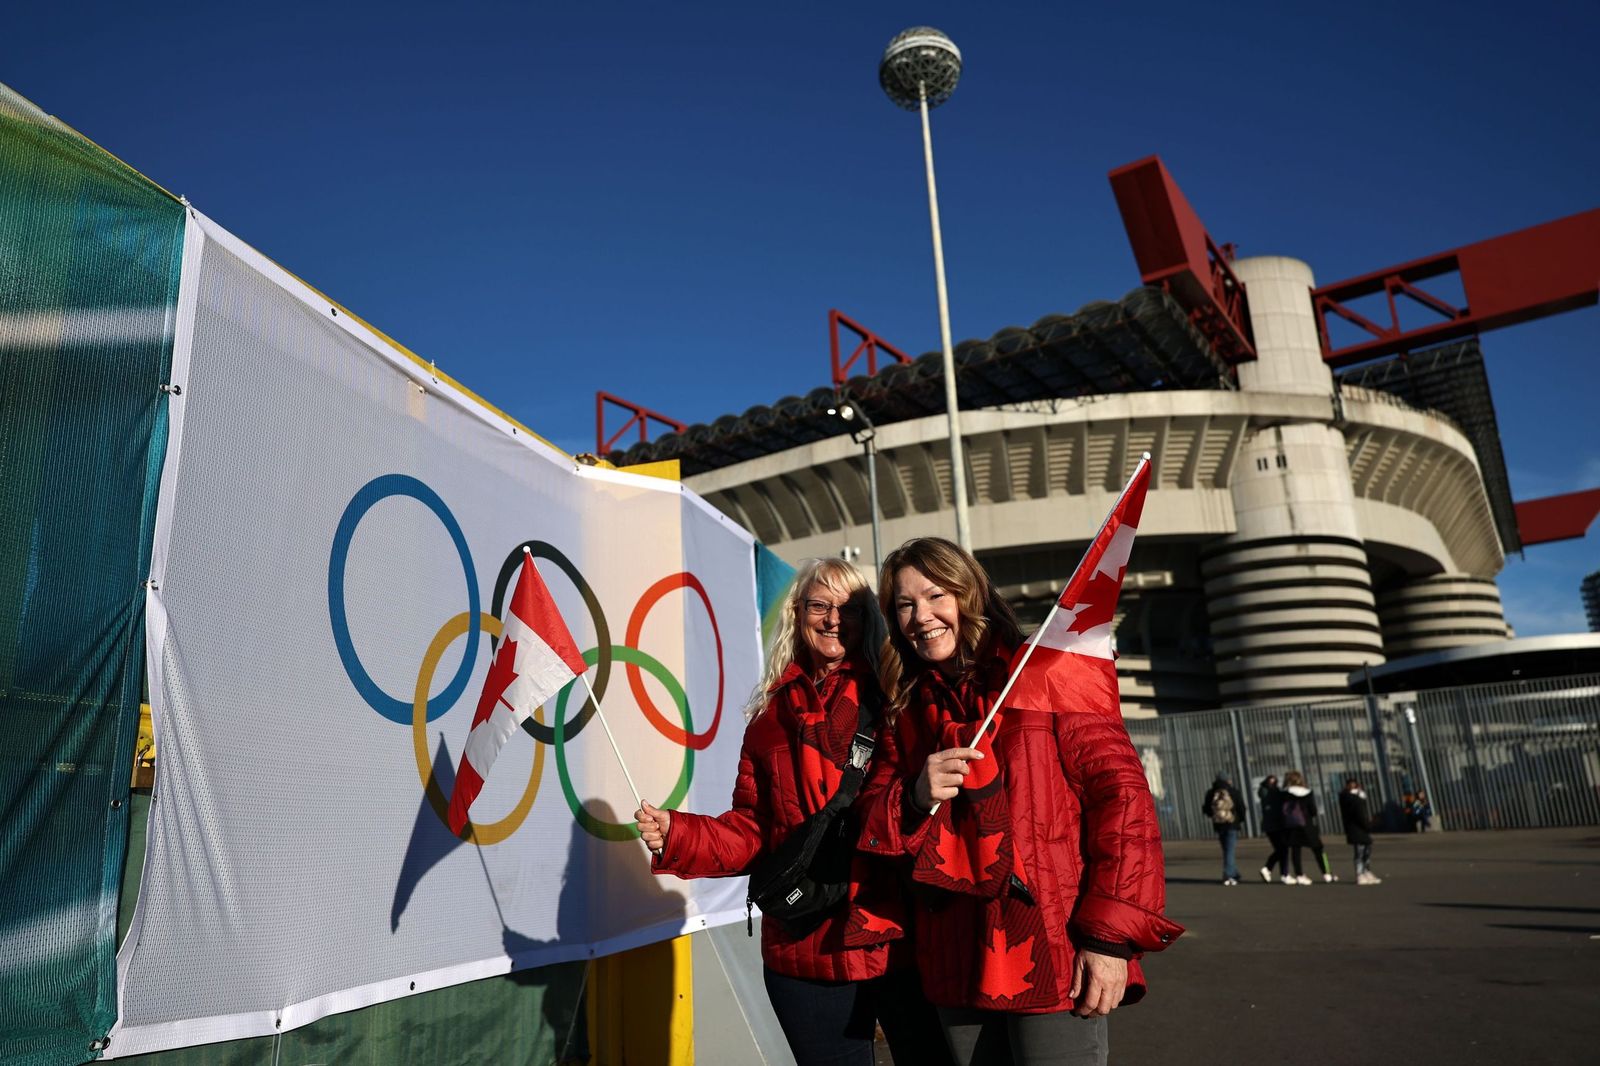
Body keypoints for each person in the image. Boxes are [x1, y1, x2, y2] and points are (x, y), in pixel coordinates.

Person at [859, 537, 1181, 1066]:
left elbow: (1123, 805)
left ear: (970, 594)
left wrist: (1109, 941)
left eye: (936, 596)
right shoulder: (906, 707)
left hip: (1052, 952)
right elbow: (872, 818)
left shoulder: (1048, 671)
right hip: (955, 956)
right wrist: (913, 796)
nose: (922, 617)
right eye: (905, 605)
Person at [634, 558, 951, 1066]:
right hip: (804, 948)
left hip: (898, 937)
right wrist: (680, 834)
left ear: (868, 617)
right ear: (798, 614)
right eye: (819, 605)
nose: (833, 619)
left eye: (848, 608)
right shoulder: (769, 717)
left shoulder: (899, 696)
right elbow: (756, 829)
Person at [1279, 771, 1336, 884]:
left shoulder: (1284, 793)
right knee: (1318, 850)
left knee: (1296, 851)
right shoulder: (1307, 793)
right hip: (1307, 825)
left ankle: (1299, 874)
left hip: (1292, 826)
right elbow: (1313, 810)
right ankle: (1327, 873)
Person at [1202, 776, 1245, 885]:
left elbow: (1207, 809)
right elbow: (1241, 807)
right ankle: (1228, 875)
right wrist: (1240, 819)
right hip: (1231, 823)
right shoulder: (1233, 791)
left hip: (1218, 824)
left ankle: (1234, 873)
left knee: (1227, 850)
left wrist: (1214, 816)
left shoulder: (1211, 793)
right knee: (1230, 850)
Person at [1338, 778, 1381, 884]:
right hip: (1358, 828)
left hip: (1356, 828)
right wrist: (1368, 825)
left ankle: (1365, 872)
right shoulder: (1354, 799)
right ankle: (1361, 873)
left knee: (1364, 851)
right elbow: (1360, 814)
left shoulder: (1347, 797)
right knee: (1361, 852)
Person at [1257, 774, 1290, 884]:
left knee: (1281, 849)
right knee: (1283, 849)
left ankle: (1272, 870)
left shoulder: (1268, 793)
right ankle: (1280, 872)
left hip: (1271, 826)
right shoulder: (1270, 793)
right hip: (1275, 825)